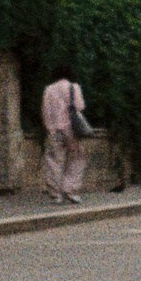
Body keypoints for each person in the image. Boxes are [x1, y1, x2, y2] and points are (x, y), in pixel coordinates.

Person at [40, 73, 92, 205]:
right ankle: (70, 189)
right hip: (71, 130)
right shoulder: (73, 87)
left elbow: (45, 111)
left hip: (54, 130)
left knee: (54, 161)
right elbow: (80, 106)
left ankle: (56, 193)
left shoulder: (49, 89)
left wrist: (49, 128)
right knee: (78, 157)